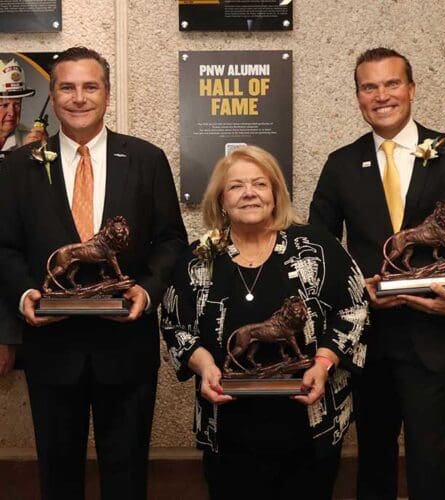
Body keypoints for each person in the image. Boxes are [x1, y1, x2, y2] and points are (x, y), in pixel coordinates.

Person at [309, 47, 445, 500]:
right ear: (358, 97)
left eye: (391, 83)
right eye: (369, 87)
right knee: (372, 457)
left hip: (433, 335)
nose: (382, 95)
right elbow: (317, 249)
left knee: (428, 458)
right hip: (367, 339)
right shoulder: (340, 165)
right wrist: (357, 290)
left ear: (411, 89)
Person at [0, 46, 188, 500]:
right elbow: (3, 245)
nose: (78, 97)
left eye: (90, 87)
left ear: (106, 94)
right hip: (52, 349)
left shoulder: (146, 159)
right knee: (58, 477)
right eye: (67, 87)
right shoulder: (18, 166)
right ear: (54, 93)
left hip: (125, 348)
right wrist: (26, 294)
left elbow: (171, 241)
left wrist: (147, 290)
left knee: (126, 478)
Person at [161, 145, 368, 500]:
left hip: (310, 422)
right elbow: (173, 323)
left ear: (275, 194)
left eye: (259, 184)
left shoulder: (315, 247)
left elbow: (355, 308)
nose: (249, 193)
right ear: (221, 200)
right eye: (236, 186)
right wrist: (206, 364)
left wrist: (322, 363)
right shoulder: (199, 259)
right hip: (228, 428)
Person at [0, 58, 48, 377]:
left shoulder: (26, 151)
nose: (11, 114)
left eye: (16, 105)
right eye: (2, 104)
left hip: (20, 306)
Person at [0, 58, 46, 155]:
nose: (12, 113)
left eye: (17, 104)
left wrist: (43, 151)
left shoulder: (30, 140)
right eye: (4, 105)